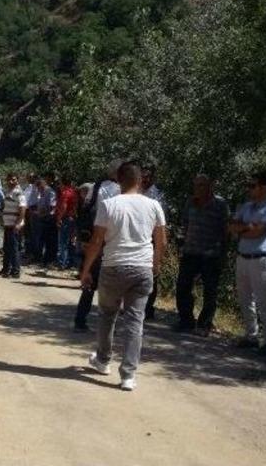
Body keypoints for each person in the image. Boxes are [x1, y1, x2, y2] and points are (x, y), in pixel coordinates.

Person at [81, 161, 167, 391]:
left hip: (113, 267)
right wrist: (155, 264)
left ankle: (103, 359)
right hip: (141, 269)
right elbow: (162, 241)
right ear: (140, 181)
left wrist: (86, 270)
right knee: (134, 321)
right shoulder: (154, 206)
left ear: (118, 180)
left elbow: (97, 241)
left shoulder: (109, 205)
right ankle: (128, 375)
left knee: (107, 315)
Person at [229, 171, 266, 356]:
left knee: (263, 300)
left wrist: (243, 229)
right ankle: (251, 336)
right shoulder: (246, 206)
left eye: (253, 186)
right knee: (245, 299)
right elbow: (232, 226)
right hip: (243, 257)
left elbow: (259, 232)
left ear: (264, 187)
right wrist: (247, 228)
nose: (249, 189)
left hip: (261, 258)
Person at [174, 174, 228, 336]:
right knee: (183, 287)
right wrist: (181, 244)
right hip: (190, 252)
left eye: (201, 185)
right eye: (196, 185)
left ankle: (204, 324)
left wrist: (223, 253)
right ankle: (186, 321)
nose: (197, 188)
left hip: (211, 254)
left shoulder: (220, 204)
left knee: (210, 291)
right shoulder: (190, 202)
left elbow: (225, 231)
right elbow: (184, 224)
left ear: (210, 186)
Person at [74, 159, 122, 332]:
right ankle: (109, 326)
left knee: (90, 282)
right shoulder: (120, 191)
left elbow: (85, 211)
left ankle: (80, 319)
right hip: (112, 240)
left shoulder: (95, 187)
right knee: (112, 286)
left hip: (94, 239)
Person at [141, 166, 165, 320]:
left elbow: (161, 221)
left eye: (149, 176)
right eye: (144, 176)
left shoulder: (158, 196)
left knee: (151, 273)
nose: (146, 179)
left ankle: (148, 307)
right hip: (137, 235)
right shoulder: (136, 192)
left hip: (151, 236)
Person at [0, 172, 27, 278]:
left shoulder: (19, 193)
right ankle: (6, 269)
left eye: (13, 179)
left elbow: (23, 208)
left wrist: (18, 223)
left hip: (15, 225)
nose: (11, 181)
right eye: (9, 179)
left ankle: (15, 271)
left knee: (14, 248)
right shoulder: (8, 192)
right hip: (7, 223)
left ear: (17, 180)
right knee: (7, 247)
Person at [56, 176, 78, 269]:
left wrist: (59, 218)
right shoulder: (73, 192)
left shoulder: (65, 193)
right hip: (72, 218)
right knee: (71, 241)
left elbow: (64, 207)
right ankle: (71, 261)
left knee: (63, 241)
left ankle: (62, 263)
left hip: (65, 219)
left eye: (60, 183)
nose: (59, 185)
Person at [37, 173, 58, 267]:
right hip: (43, 218)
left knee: (50, 241)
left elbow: (52, 206)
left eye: (40, 187)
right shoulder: (42, 192)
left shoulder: (50, 191)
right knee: (44, 240)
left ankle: (49, 260)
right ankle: (44, 260)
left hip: (49, 219)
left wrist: (46, 214)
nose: (39, 189)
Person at [24, 173, 41, 261]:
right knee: (28, 233)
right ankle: (28, 251)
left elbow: (37, 200)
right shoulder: (29, 187)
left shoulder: (36, 187)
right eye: (29, 177)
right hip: (27, 211)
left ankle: (35, 254)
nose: (30, 178)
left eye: (32, 177)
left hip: (33, 211)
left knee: (34, 234)